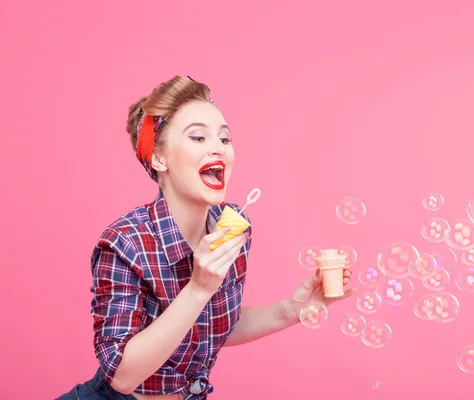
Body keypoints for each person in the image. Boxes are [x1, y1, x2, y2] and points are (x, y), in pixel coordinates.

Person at [56, 75, 355, 400]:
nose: (218, 148)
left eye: (224, 139)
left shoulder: (234, 226)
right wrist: (199, 287)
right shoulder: (125, 242)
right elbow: (122, 375)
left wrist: (293, 310)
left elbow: (213, 325)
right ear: (159, 158)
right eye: (198, 137)